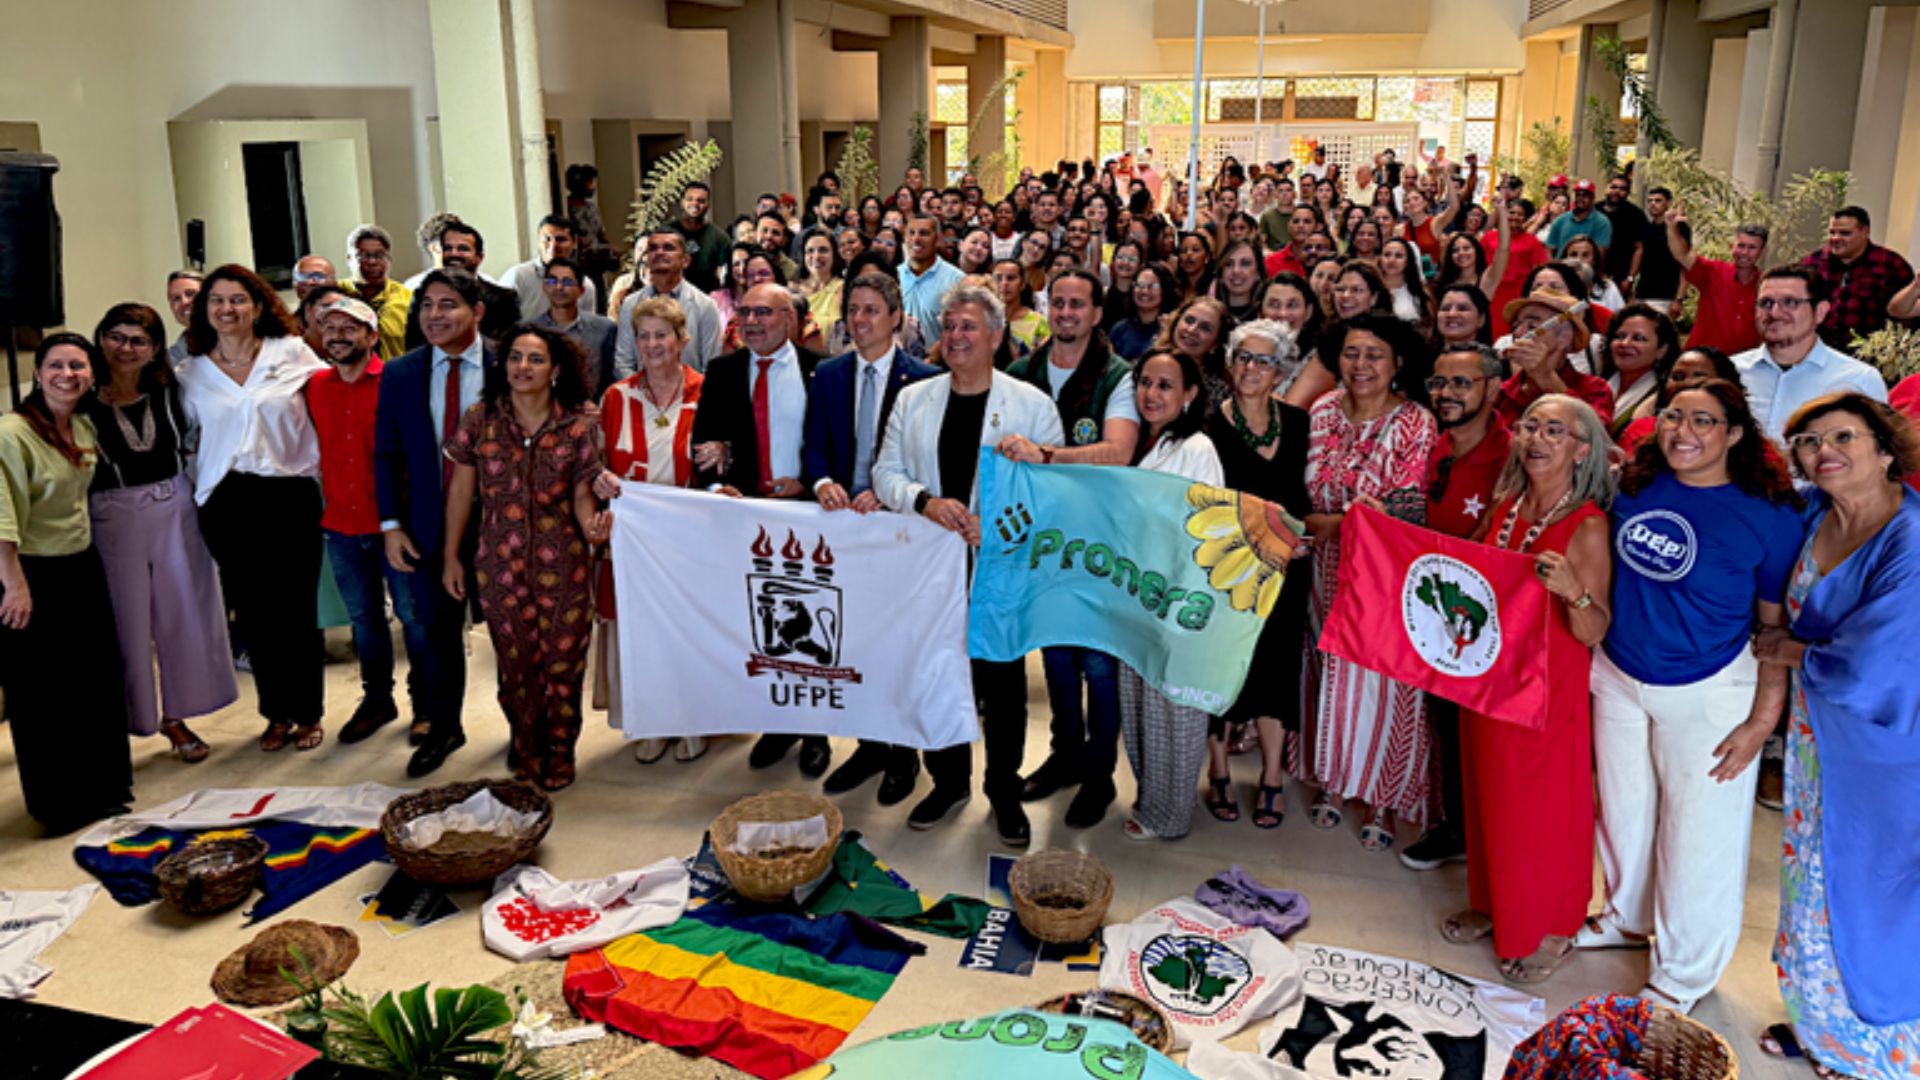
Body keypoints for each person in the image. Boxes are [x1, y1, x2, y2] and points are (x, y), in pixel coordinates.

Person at [1581, 378, 1800, 1013]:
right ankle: (1626, 918)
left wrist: (1763, 719)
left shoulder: (1769, 515)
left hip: (1709, 688)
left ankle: (1682, 973)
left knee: (1698, 837)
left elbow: (1772, 626)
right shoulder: (1637, 487)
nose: (1683, 431)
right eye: (1674, 416)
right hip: (1620, 673)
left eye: (1704, 421)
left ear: (1735, 436)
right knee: (1625, 810)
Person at [1758, 393, 1920, 1079]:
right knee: (1809, 875)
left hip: (1887, 751)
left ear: (1886, 450)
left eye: (1843, 436)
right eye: (1808, 440)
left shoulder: (1909, 538)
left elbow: (1880, 661)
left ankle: (1874, 1047)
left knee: (1873, 890)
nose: (1823, 450)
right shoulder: (1813, 513)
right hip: (1814, 735)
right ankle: (1821, 1021)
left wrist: (1787, 650)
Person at [871, 283, 1064, 845]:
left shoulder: (1030, 404)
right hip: (928, 569)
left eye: (968, 327)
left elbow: (1053, 494)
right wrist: (924, 501)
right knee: (935, 675)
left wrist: (1000, 523)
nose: (955, 337)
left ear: (997, 336)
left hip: (999, 568)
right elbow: (885, 472)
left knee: (1002, 686)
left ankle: (1003, 789)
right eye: (948, 326)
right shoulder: (914, 399)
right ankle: (948, 781)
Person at [1443, 394, 1613, 986]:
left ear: (1582, 449)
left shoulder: (1587, 525)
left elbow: (1594, 630)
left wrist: (1573, 590)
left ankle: (1553, 928)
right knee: (1490, 794)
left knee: (1543, 810)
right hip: (1492, 679)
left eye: (1556, 431)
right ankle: (1496, 904)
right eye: (1532, 427)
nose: (1538, 438)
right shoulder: (1507, 508)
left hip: (1546, 689)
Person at [999, 271, 1140, 827]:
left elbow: (1119, 451)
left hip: (1099, 537)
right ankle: (1066, 756)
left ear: (1097, 314)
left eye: (1077, 304)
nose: (1065, 312)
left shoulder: (1117, 375)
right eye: (1056, 303)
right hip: (1040, 537)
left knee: (1098, 662)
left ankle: (1100, 774)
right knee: (1055, 655)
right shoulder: (1021, 371)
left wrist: (1047, 456)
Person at [442, 323, 605, 791]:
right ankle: (527, 745)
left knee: (564, 662)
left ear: (555, 370)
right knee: (516, 664)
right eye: (515, 357)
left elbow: (582, 498)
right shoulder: (481, 419)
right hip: (498, 562)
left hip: (565, 564)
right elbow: (460, 493)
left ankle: (561, 750)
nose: (523, 367)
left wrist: (595, 531)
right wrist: (451, 557)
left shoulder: (576, 425)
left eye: (535, 359)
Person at [1301, 315, 1440, 851]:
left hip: (1385, 573)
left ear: (1398, 361)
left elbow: (1404, 509)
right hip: (1321, 570)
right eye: (1352, 353)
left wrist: (1336, 524)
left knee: (1382, 686)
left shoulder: (1415, 423)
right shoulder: (1322, 411)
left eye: (1375, 354)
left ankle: (1382, 795)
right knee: (1328, 675)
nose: (1362, 365)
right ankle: (1334, 783)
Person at [177, 264, 330, 752]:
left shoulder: (292, 353)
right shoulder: (189, 373)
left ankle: (308, 713)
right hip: (226, 501)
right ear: (205, 311)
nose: (228, 309)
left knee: (296, 606)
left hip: (289, 492)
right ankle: (275, 714)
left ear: (259, 305)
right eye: (217, 301)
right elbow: (185, 439)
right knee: (255, 613)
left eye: (238, 299)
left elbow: (331, 402)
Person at [803, 274, 940, 804]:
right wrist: (821, 483)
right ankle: (869, 744)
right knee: (852, 643)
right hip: (842, 533)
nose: (859, 321)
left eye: (871, 311)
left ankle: (903, 753)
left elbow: (926, 463)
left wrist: (889, 496)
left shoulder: (926, 380)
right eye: (852, 311)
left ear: (896, 318)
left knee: (897, 646)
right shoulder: (829, 374)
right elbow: (814, 447)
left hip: (899, 533)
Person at [84, 304, 236, 763]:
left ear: (154, 350)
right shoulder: (81, 395)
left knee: (185, 612)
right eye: (117, 337)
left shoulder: (173, 390)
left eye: (139, 341)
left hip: (175, 505)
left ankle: (177, 716)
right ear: (100, 337)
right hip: (111, 513)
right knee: (125, 622)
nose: (126, 349)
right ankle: (132, 718)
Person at [691, 282, 830, 774]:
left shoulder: (824, 372)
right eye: (745, 312)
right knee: (764, 626)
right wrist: (716, 486)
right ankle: (778, 722)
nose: (750, 322)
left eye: (763, 313)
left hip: (809, 519)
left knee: (811, 628)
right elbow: (704, 446)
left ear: (790, 320)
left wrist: (811, 483)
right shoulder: (723, 371)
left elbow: (840, 447)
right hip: (747, 522)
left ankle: (816, 731)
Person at [0, 333, 135, 833]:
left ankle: (103, 790)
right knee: (44, 694)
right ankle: (58, 805)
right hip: (30, 575)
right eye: (55, 365)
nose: (67, 374)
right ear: (37, 374)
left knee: (94, 682)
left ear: (91, 374)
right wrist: (12, 584)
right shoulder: (12, 434)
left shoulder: (80, 425)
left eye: (78, 366)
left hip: (81, 566)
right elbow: (2, 513)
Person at [1392, 341, 1514, 870]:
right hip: (1438, 615)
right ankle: (1455, 828)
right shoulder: (1439, 446)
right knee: (1444, 725)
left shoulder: (1512, 455)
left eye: (1461, 383)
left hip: (1490, 623)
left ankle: (1490, 836)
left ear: (1493, 387)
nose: (1445, 394)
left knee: (1481, 737)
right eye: (1439, 383)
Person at [308, 295, 442, 750]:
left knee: (413, 617)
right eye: (330, 329)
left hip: (394, 526)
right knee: (365, 619)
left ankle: (426, 705)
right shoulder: (316, 386)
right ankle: (377, 700)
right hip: (340, 526)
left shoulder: (398, 381)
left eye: (349, 328)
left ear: (371, 335)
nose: (338, 336)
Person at [374, 268, 491, 777]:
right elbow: (385, 454)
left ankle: (527, 732)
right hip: (426, 523)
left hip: (502, 523)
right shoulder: (401, 373)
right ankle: (444, 726)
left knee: (512, 635)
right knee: (435, 633)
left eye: (448, 305)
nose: (435, 316)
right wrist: (391, 524)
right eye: (426, 306)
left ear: (477, 312)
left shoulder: (510, 360)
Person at [1203, 321, 1312, 831]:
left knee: (1276, 672)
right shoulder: (1206, 426)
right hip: (1228, 572)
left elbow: (1305, 500)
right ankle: (1220, 767)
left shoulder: (1299, 423)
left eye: (1263, 361)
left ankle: (1271, 776)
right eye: (1242, 357)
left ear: (1281, 371)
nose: (1250, 368)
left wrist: (1303, 534)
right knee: (1223, 671)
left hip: (1286, 570)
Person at [590, 297, 707, 764]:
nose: (654, 344)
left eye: (664, 335)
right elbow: (595, 463)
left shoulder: (707, 390)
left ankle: (692, 720)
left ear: (683, 339)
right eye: (645, 336)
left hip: (689, 541)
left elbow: (731, 454)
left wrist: (723, 457)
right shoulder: (617, 397)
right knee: (636, 633)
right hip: (631, 541)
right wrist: (598, 477)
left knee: (685, 631)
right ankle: (651, 722)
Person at [1115, 348, 1225, 841]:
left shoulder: (1197, 447)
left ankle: (1169, 814)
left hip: (1175, 600)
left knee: (1172, 711)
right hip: (1140, 592)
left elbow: (1203, 531)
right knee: (1141, 706)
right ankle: (1152, 799)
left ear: (1190, 394)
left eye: (1164, 385)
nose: (1151, 394)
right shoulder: (1147, 443)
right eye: (1145, 382)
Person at [1736, 267, 1889, 443]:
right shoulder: (1731, 371)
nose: (1775, 313)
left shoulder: (1859, 380)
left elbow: (1877, 455)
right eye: (1766, 303)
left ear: (1820, 312)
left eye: (1790, 302)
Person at [1496, 289, 1616, 427]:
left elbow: (1597, 434)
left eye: (1532, 326)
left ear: (1564, 337)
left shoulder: (1594, 389)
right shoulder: (1501, 392)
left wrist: (1547, 378)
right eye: (1516, 325)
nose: (1517, 333)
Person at [613, 229, 723, 377]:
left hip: (690, 397)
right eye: (652, 248)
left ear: (685, 261)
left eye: (668, 248)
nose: (659, 253)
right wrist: (646, 395)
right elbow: (623, 364)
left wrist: (680, 396)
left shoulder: (705, 306)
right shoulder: (631, 304)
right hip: (640, 395)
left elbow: (713, 367)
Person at [1801, 206, 1914, 349]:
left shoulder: (1891, 265)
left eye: (1845, 233)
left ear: (1865, 232)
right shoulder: (1812, 263)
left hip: (1869, 356)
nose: (1835, 238)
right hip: (1818, 351)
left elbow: (1908, 315)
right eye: (1832, 232)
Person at [1664, 207, 1766, 354]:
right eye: (1741, 246)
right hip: (1701, 361)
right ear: (1732, 247)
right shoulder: (1713, 272)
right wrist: (1671, 226)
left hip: (1742, 367)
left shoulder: (1766, 286)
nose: (1744, 253)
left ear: (1762, 252)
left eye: (1752, 248)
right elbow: (1681, 255)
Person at [1616, 346, 1742, 453]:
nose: (1686, 384)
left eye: (1699, 376)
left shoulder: (1741, 435)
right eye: (1677, 377)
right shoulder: (1640, 430)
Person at [530, 255, 618, 398]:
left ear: (581, 290)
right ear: (544, 286)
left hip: (593, 410)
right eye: (552, 281)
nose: (559, 287)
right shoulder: (530, 330)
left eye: (567, 282)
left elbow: (613, 376)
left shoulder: (604, 329)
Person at [1600, 303, 1679, 440]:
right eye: (1619, 336)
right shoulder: (1600, 383)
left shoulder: (1664, 398)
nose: (1624, 343)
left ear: (1662, 350)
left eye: (1638, 338)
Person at [1484, 197, 1550, 337]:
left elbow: (1540, 270)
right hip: (1492, 293)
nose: (1515, 217)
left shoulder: (1532, 242)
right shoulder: (1489, 237)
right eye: (1511, 212)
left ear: (1526, 218)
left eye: (1520, 214)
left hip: (1517, 296)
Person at [1154, 295, 1232, 411]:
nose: (1191, 330)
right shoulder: (1145, 367)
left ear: (1215, 344)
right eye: (1189, 320)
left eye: (1205, 328)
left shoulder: (1221, 394)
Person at [346, 225, 411, 360]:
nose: (372, 262)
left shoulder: (408, 299)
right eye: (363, 256)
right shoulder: (337, 294)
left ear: (389, 260)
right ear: (349, 259)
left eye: (379, 256)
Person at [898, 215, 965, 347]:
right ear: (904, 238)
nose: (916, 239)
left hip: (939, 364)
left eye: (924, 233)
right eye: (911, 233)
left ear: (938, 239)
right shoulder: (893, 276)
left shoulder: (957, 280)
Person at [669, 181, 733, 293]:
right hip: (670, 296)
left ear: (708, 205)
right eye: (690, 199)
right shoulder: (666, 232)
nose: (695, 204)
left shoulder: (719, 237)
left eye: (701, 201)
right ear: (682, 202)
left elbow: (725, 274)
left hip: (707, 298)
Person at [1110, 261, 1172, 361]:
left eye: (1153, 286)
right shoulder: (1119, 329)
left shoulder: (1170, 328)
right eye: (1140, 285)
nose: (1145, 291)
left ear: (1165, 289)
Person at [796, 228, 848, 342]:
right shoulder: (793, 290)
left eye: (823, 250)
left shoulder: (844, 289)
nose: (816, 256)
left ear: (834, 255)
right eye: (810, 251)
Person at [1595, 175, 1646, 290]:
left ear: (1628, 193)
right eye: (1613, 187)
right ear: (1606, 188)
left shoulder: (1635, 215)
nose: (1617, 191)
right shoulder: (1594, 210)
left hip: (1620, 278)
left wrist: (1630, 279)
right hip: (1592, 275)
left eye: (1622, 189)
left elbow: (1639, 249)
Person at [991, 257, 1049, 353]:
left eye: (1011, 278)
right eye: (998, 278)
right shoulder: (982, 318)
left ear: (1022, 284)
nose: (1004, 283)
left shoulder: (1039, 322)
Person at [1434, 283, 1495, 348]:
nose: (1452, 314)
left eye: (1462, 309)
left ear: (1481, 319)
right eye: (1445, 309)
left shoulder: (1491, 357)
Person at [164, 270, 203, 366]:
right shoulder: (172, 360)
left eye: (190, 294)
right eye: (176, 298)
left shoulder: (237, 341)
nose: (184, 302)